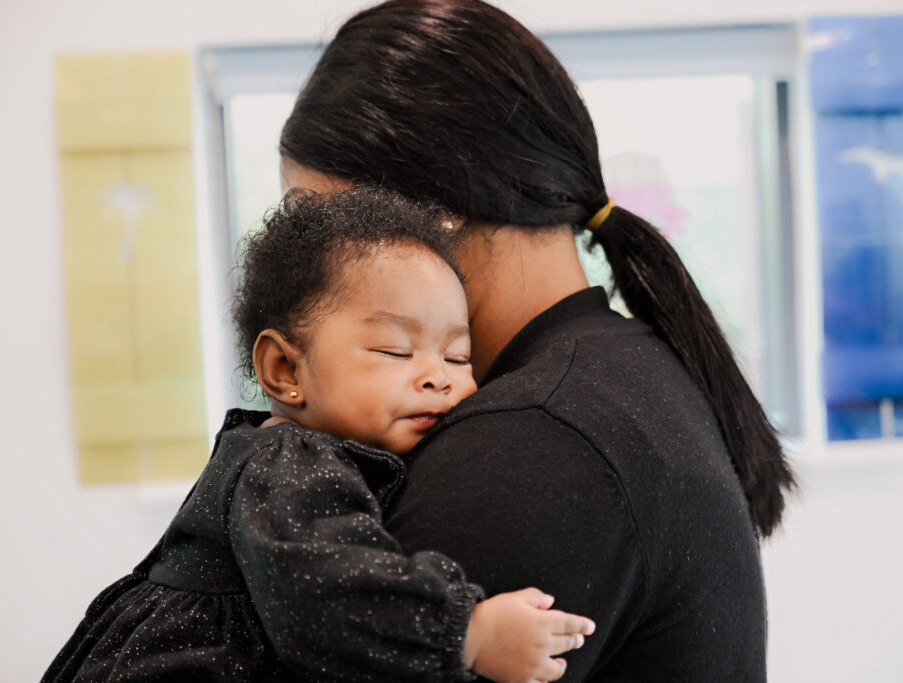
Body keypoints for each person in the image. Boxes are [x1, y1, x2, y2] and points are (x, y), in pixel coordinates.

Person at [278, 1, 798, 680]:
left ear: (437, 207)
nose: (302, 273)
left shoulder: (532, 442)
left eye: (319, 229)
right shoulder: (620, 373)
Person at [43, 188, 595, 683]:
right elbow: (326, 594)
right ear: (285, 370)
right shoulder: (288, 461)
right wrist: (467, 635)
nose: (438, 375)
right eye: (394, 351)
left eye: (458, 355)